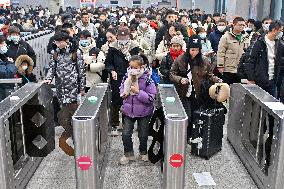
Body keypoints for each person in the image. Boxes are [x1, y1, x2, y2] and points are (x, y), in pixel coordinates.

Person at [44, 31, 86, 156]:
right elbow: (52, 67)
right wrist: (48, 78)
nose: (58, 44)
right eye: (56, 42)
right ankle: (73, 136)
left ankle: (79, 139)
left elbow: (81, 71)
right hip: (60, 88)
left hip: (72, 88)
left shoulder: (75, 52)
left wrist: (82, 88)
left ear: (66, 41)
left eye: (60, 41)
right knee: (64, 116)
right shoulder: (55, 53)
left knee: (74, 113)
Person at [170, 36, 220, 139]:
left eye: (197, 50)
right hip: (184, 93)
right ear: (188, 49)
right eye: (192, 50)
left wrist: (219, 81)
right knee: (187, 116)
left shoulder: (204, 60)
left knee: (196, 116)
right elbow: (172, 74)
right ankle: (185, 136)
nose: (194, 52)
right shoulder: (181, 59)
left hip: (198, 93)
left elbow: (209, 75)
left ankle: (194, 135)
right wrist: (180, 79)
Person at [119, 55, 157, 165]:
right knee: (126, 134)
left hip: (143, 112)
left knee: (143, 134)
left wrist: (138, 92)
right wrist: (123, 93)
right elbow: (122, 87)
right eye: (130, 67)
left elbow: (151, 97)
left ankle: (143, 152)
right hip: (128, 111)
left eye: (135, 67)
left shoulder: (148, 79)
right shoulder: (127, 77)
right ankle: (128, 154)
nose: (132, 70)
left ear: (142, 67)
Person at [105, 26, 140, 135]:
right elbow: (108, 63)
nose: (123, 39)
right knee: (116, 100)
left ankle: (126, 124)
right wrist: (112, 71)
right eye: (121, 37)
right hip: (117, 77)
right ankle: (115, 124)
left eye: (125, 37)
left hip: (131, 77)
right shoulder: (113, 47)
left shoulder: (134, 47)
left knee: (129, 100)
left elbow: (138, 62)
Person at [245, 21, 283, 98]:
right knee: (257, 106)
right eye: (281, 30)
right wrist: (251, 78)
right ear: (274, 30)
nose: (281, 33)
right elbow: (250, 61)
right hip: (259, 80)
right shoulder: (259, 43)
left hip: (272, 81)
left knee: (272, 106)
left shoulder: (279, 44)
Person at [217, 17, 250, 85]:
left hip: (240, 69)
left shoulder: (246, 37)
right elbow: (221, 52)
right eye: (239, 25)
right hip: (228, 68)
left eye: (243, 25)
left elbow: (248, 52)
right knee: (227, 90)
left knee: (238, 90)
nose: (242, 26)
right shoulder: (226, 36)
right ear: (234, 25)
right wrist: (220, 66)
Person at [0, 36, 17, 101]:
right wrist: (11, 64)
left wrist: (7, 61)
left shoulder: (2, 55)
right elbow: (6, 73)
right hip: (3, 88)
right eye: (3, 43)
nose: (5, 45)